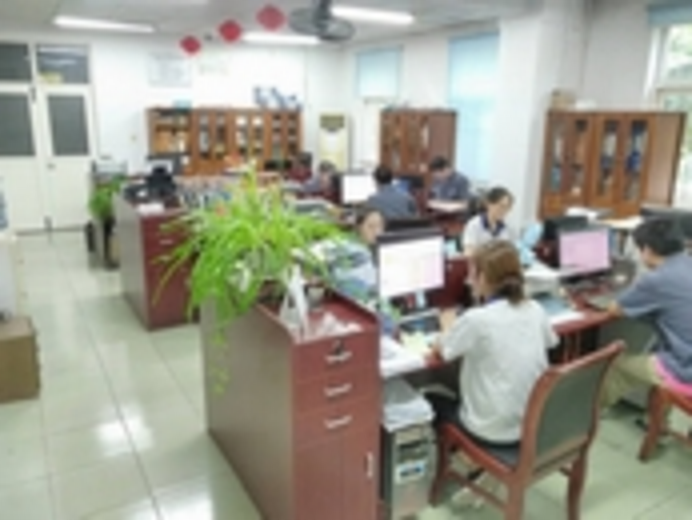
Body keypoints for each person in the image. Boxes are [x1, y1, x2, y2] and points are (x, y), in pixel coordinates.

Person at [430, 240, 558, 444]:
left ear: (483, 278)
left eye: (472, 273)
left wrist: (447, 325)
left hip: (489, 429)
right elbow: (551, 342)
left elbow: (443, 350)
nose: (468, 279)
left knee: (430, 400)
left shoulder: (477, 320)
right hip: (530, 424)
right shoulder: (535, 309)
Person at [603, 218, 692, 407]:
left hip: (685, 372)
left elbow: (615, 309)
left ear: (647, 250)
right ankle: (660, 421)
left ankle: (585, 418)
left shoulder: (657, 279)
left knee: (616, 366)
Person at [326, 207, 396, 335]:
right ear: (358, 227)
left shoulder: (352, 245)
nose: (377, 232)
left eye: (380, 226)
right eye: (371, 227)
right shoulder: (357, 255)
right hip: (369, 325)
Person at [462, 187, 514, 256]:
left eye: (507, 207)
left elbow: (511, 252)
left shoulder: (508, 227)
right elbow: (468, 253)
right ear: (489, 204)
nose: (504, 211)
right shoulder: (474, 225)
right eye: (501, 206)